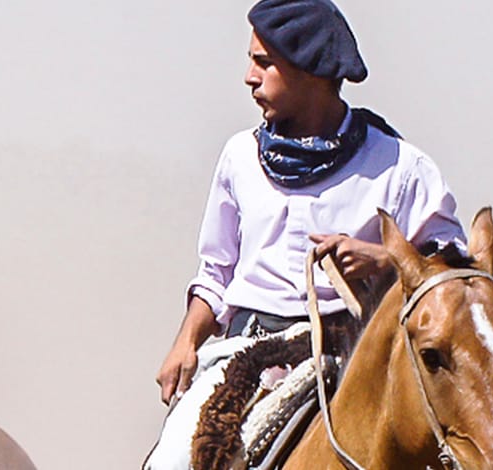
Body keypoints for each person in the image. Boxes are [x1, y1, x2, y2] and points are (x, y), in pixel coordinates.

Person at [152, 0, 466, 405]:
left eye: (264, 64)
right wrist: (185, 342)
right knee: (176, 459)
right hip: (245, 357)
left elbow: (454, 274)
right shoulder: (239, 157)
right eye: (251, 61)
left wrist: (386, 259)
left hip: (356, 366)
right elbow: (217, 272)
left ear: (310, 70)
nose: (250, 78)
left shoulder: (401, 167)